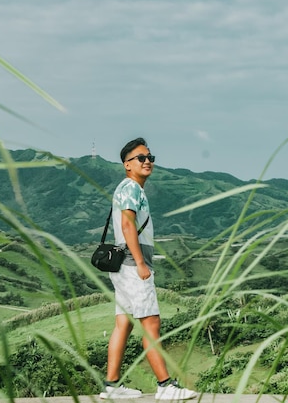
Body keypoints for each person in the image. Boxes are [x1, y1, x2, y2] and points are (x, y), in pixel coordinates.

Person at [100, 137, 198, 401]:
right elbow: (128, 225)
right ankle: (165, 385)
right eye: (141, 158)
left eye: (150, 158)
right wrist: (141, 264)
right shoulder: (130, 188)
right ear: (127, 164)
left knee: (124, 323)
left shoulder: (128, 188)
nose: (148, 162)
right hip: (133, 265)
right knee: (151, 323)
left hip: (123, 266)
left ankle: (111, 386)